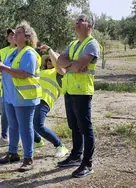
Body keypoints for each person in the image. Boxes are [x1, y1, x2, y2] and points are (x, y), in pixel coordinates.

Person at [0, 21, 41, 172]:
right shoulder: (14, 52)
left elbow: (25, 73)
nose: (14, 35)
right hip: (10, 96)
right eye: (14, 33)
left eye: (18, 32)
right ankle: (13, 153)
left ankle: (29, 158)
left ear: (27, 37)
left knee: (25, 128)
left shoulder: (29, 53)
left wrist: (5, 68)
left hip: (24, 97)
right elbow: (8, 70)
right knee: (13, 126)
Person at [57, 13, 100, 178]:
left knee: (85, 128)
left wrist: (68, 65)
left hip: (82, 91)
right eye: (77, 20)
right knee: (74, 126)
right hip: (69, 90)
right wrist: (71, 66)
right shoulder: (73, 43)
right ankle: (76, 156)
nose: (77, 22)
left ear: (89, 25)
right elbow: (60, 60)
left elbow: (81, 64)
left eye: (81, 20)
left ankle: (87, 163)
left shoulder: (92, 44)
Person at [33, 46, 68, 158]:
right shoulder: (41, 71)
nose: (48, 61)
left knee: (38, 126)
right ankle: (38, 141)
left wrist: (50, 51)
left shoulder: (59, 73)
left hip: (44, 100)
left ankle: (60, 146)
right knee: (25, 123)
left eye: (51, 60)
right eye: (47, 59)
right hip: (32, 99)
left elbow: (58, 65)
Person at [0, 28, 17, 148]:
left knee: (19, 115)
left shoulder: (22, 50)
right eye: (9, 34)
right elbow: (3, 72)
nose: (11, 36)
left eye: (14, 33)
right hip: (5, 87)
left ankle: (33, 138)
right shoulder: (3, 51)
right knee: (4, 114)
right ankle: (4, 137)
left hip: (17, 87)